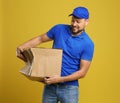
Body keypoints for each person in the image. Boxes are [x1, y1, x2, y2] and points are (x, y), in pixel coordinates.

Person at [17, 6, 94, 103]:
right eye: (73, 20)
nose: (74, 24)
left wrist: (59, 79)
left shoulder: (88, 44)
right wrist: (23, 47)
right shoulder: (59, 29)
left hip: (69, 89)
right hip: (50, 86)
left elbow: (82, 72)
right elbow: (40, 39)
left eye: (78, 22)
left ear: (86, 22)